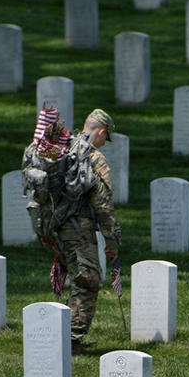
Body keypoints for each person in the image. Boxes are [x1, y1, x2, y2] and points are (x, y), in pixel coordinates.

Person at [56, 108, 121, 355]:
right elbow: (103, 203)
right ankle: (72, 341)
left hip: (54, 227)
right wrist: (112, 240)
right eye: (106, 138)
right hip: (78, 228)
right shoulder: (93, 157)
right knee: (88, 279)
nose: (105, 143)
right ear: (101, 132)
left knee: (76, 278)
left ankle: (61, 333)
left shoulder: (62, 149)